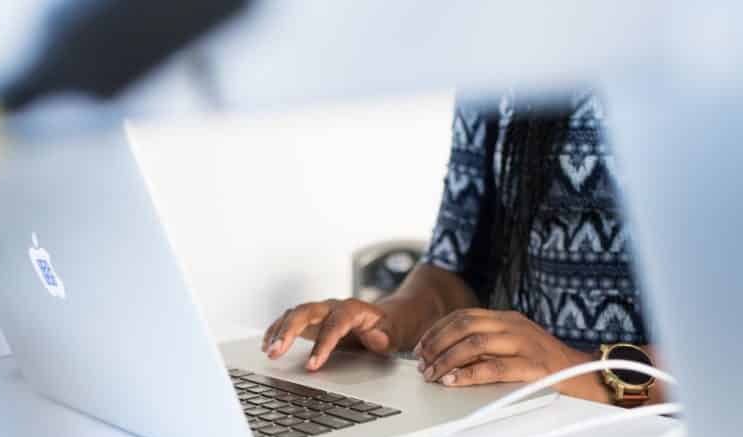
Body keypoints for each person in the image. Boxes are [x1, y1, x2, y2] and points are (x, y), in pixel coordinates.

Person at [262, 89, 665, 406]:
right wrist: (387, 321)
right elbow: (454, 270)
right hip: (532, 417)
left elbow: (728, 352)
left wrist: (578, 370)